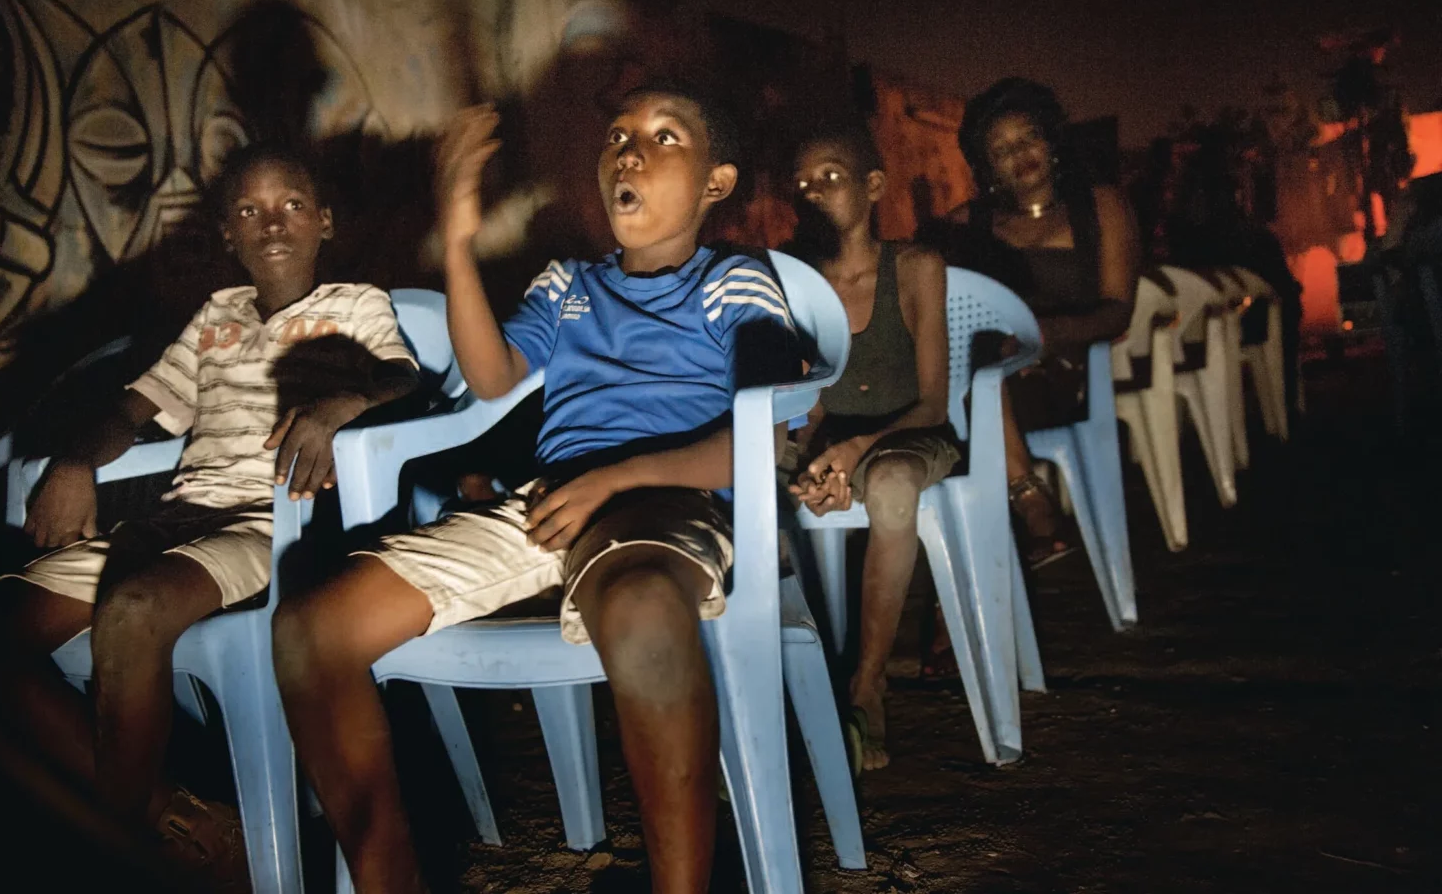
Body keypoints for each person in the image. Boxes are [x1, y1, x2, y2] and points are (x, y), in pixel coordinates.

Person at [271, 83, 799, 894]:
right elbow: (492, 377)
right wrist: (456, 244)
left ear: (716, 184)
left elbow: (760, 435)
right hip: (544, 505)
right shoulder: (569, 284)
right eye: (617, 135)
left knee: (643, 605)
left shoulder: (734, 281)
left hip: (666, 499)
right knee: (313, 631)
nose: (630, 151)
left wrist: (611, 478)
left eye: (664, 138)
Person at [0, 144, 421, 884]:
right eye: (249, 210)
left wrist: (341, 405)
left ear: (324, 221)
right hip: (177, 519)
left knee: (134, 608)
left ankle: (114, 855)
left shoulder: (356, 305)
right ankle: (180, 821)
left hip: (272, 522)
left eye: (291, 205)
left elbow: (404, 380)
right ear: (227, 234)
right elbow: (131, 409)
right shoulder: (216, 316)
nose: (271, 223)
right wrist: (76, 462)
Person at [783, 118, 959, 771]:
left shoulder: (915, 266)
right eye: (803, 183)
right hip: (838, 440)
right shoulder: (797, 280)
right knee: (743, 484)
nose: (814, 192)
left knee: (889, 485)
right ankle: (773, 686)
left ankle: (867, 685)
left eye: (830, 176)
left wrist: (858, 450)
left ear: (874, 186)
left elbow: (933, 401)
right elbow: (811, 404)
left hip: (908, 437)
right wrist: (813, 463)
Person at [947, 78, 1141, 567]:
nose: (1019, 155)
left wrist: (1045, 335)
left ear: (1051, 140)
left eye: (1027, 138)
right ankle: (1021, 504)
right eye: (1001, 150)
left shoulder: (1099, 206)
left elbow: (1119, 308)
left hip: (1066, 372)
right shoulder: (967, 224)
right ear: (987, 166)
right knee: (968, 360)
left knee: (977, 373)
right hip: (983, 374)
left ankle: (1028, 506)